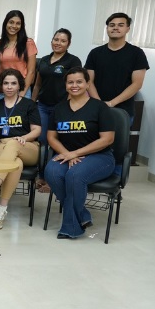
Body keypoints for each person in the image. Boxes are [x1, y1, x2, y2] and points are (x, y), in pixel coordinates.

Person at [44, 67, 115, 240]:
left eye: (79, 81)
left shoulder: (100, 107)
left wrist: (74, 154)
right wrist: (68, 154)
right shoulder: (59, 108)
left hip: (100, 157)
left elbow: (107, 139)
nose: (74, 85)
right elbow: (51, 137)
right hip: (67, 154)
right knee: (51, 172)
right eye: (70, 82)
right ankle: (82, 214)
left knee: (75, 175)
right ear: (66, 85)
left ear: (87, 84)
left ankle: (71, 228)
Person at [0, 69, 41, 229]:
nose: (9, 87)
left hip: (27, 146)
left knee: (13, 144)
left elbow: (37, 130)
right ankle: (1, 210)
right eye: (6, 83)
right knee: (16, 164)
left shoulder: (29, 104)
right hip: (1, 146)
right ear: (0, 85)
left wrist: (23, 138)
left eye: (13, 83)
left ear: (20, 86)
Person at [86, 12, 149, 126]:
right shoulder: (95, 53)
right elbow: (89, 80)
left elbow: (137, 84)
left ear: (127, 29)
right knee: (93, 142)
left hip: (122, 111)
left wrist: (111, 103)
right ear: (107, 28)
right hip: (95, 109)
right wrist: (99, 103)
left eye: (120, 25)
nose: (115, 27)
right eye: (112, 25)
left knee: (118, 143)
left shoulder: (136, 53)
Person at [31, 28, 82, 143]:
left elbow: (75, 87)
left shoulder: (73, 61)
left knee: (59, 138)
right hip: (42, 106)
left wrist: (69, 106)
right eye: (56, 39)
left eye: (63, 41)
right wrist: (32, 103)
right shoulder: (44, 60)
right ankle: (42, 161)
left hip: (62, 106)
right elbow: (37, 85)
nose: (58, 43)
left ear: (68, 44)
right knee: (42, 138)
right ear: (51, 41)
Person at [0, 10, 37, 98]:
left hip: (21, 89)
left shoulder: (28, 43)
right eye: (11, 22)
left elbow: (31, 71)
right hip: (1, 90)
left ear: (22, 26)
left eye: (18, 23)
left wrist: (22, 93)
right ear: (5, 23)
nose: (14, 26)